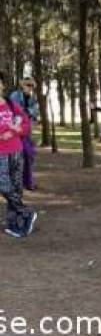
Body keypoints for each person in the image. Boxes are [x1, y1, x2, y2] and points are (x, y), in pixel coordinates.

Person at [0, 72, 38, 238]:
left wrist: (15, 131)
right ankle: (25, 212)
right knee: (3, 184)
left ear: (1, 85)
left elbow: (26, 123)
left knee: (16, 187)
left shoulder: (10, 103)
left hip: (16, 151)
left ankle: (15, 224)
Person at [9, 77, 39, 190]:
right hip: (15, 131)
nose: (30, 87)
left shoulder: (32, 99)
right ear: (23, 85)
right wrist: (26, 113)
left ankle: (29, 182)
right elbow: (14, 111)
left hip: (26, 131)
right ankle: (15, 183)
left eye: (31, 85)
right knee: (15, 157)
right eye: (27, 85)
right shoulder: (15, 95)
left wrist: (27, 112)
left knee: (29, 155)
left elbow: (35, 112)